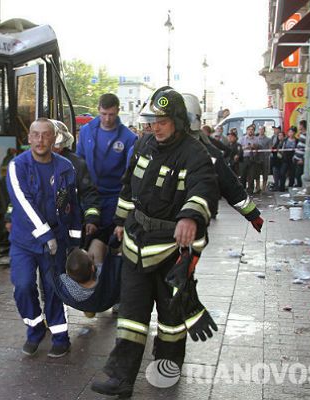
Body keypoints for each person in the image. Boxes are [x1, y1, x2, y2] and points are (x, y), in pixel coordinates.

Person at [91, 87, 219, 397]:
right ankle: (120, 377)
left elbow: (204, 188)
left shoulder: (194, 152)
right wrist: (121, 222)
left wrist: (190, 216)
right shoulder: (144, 143)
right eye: (152, 121)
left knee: (171, 318)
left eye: (162, 121)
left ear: (176, 120)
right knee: (131, 316)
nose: (155, 127)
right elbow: (128, 185)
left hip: (170, 249)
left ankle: (167, 367)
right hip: (137, 240)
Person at [6, 118, 81, 358]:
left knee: (53, 289)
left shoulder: (65, 167)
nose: (40, 140)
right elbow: (23, 204)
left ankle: (60, 336)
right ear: (28, 138)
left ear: (53, 138)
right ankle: (35, 328)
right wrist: (46, 235)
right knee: (23, 285)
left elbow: (71, 205)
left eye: (45, 135)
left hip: (57, 242)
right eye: (35, 135)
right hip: (25, 242)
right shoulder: (17, 166)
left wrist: (75, 242)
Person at [183, 93, 263, 229]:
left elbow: (230, 184)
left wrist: (252, 214)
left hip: (189, 221)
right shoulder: (154, 146)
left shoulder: (208, 153)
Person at [76, 93, 137, 264]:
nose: (107, 119)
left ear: (118, 111)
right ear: (98, 110)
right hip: (89, 195)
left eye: (111, 114)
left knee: (105, 239)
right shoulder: (86, 131)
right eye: (103, 114)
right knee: (87, 237)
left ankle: (104, 274)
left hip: (114, 198)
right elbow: (79, 161)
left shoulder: (129, 138)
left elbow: (129, 174)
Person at [239, 124, 260, 194]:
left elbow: (258, 149)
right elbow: (238, 148)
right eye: (249, 130)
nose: (250, 131)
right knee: (243, 175)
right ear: (247, 131)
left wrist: (254, 147)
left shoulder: (256, 139)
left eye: (252, 130)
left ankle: (250, 190)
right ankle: (242, 190)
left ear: (254, 131)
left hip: (252, 158)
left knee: (251, 175)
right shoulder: (242, 139)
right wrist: (245, 147)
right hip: (244, 158)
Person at [256, 126, 272, 192]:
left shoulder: (268, 139)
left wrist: (267, 154)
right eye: (260, 129)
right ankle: (257, 187)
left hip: (265, 159)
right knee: (257, 173)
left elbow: (270, 148)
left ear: (264, 130)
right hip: (257, 159)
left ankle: (264, 188)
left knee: (265, 173)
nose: (261, 131)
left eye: (262, 129)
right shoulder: (256, 139)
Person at [292, 120, 307, 187]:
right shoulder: (301, 134)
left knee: (299, 175)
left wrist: (303, 159)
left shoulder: (306, 135)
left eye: (300, 125)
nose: (299, 127)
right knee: (295, 174)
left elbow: (307, 149)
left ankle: (300, 187)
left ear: (302, 126)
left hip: (301, 159)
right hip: (296, 157)